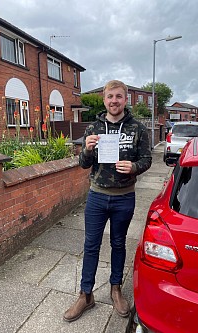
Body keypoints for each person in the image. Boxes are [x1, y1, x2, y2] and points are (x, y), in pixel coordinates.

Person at [63, 80, 152, 322]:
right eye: (110, 96)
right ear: (104, 100)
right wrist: (88, 149)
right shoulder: (93, 128)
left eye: (118, 97)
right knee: (91, 245)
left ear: (125, 100)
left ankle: (115, 289)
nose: (114, 101)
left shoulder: (138, 128)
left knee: (118, 244)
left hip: (124, 198)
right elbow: (83, 164)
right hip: (97, 196)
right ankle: (86, 294)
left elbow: (147, 159)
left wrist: (134, 167)